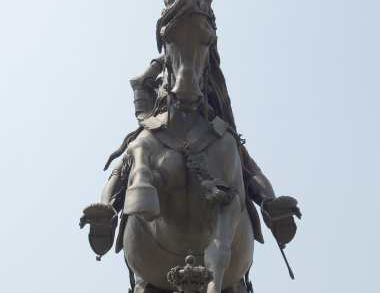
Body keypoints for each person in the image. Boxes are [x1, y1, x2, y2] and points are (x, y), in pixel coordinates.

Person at [80, 56, 301, 261]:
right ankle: (107, 211)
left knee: (241, 158)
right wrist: (161, 60)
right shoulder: (157, 86)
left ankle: (270, 206)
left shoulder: (204, 75)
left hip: (206, 124)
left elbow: (221, 99)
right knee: (130, 159)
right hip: (160, 128)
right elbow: (139, 81)